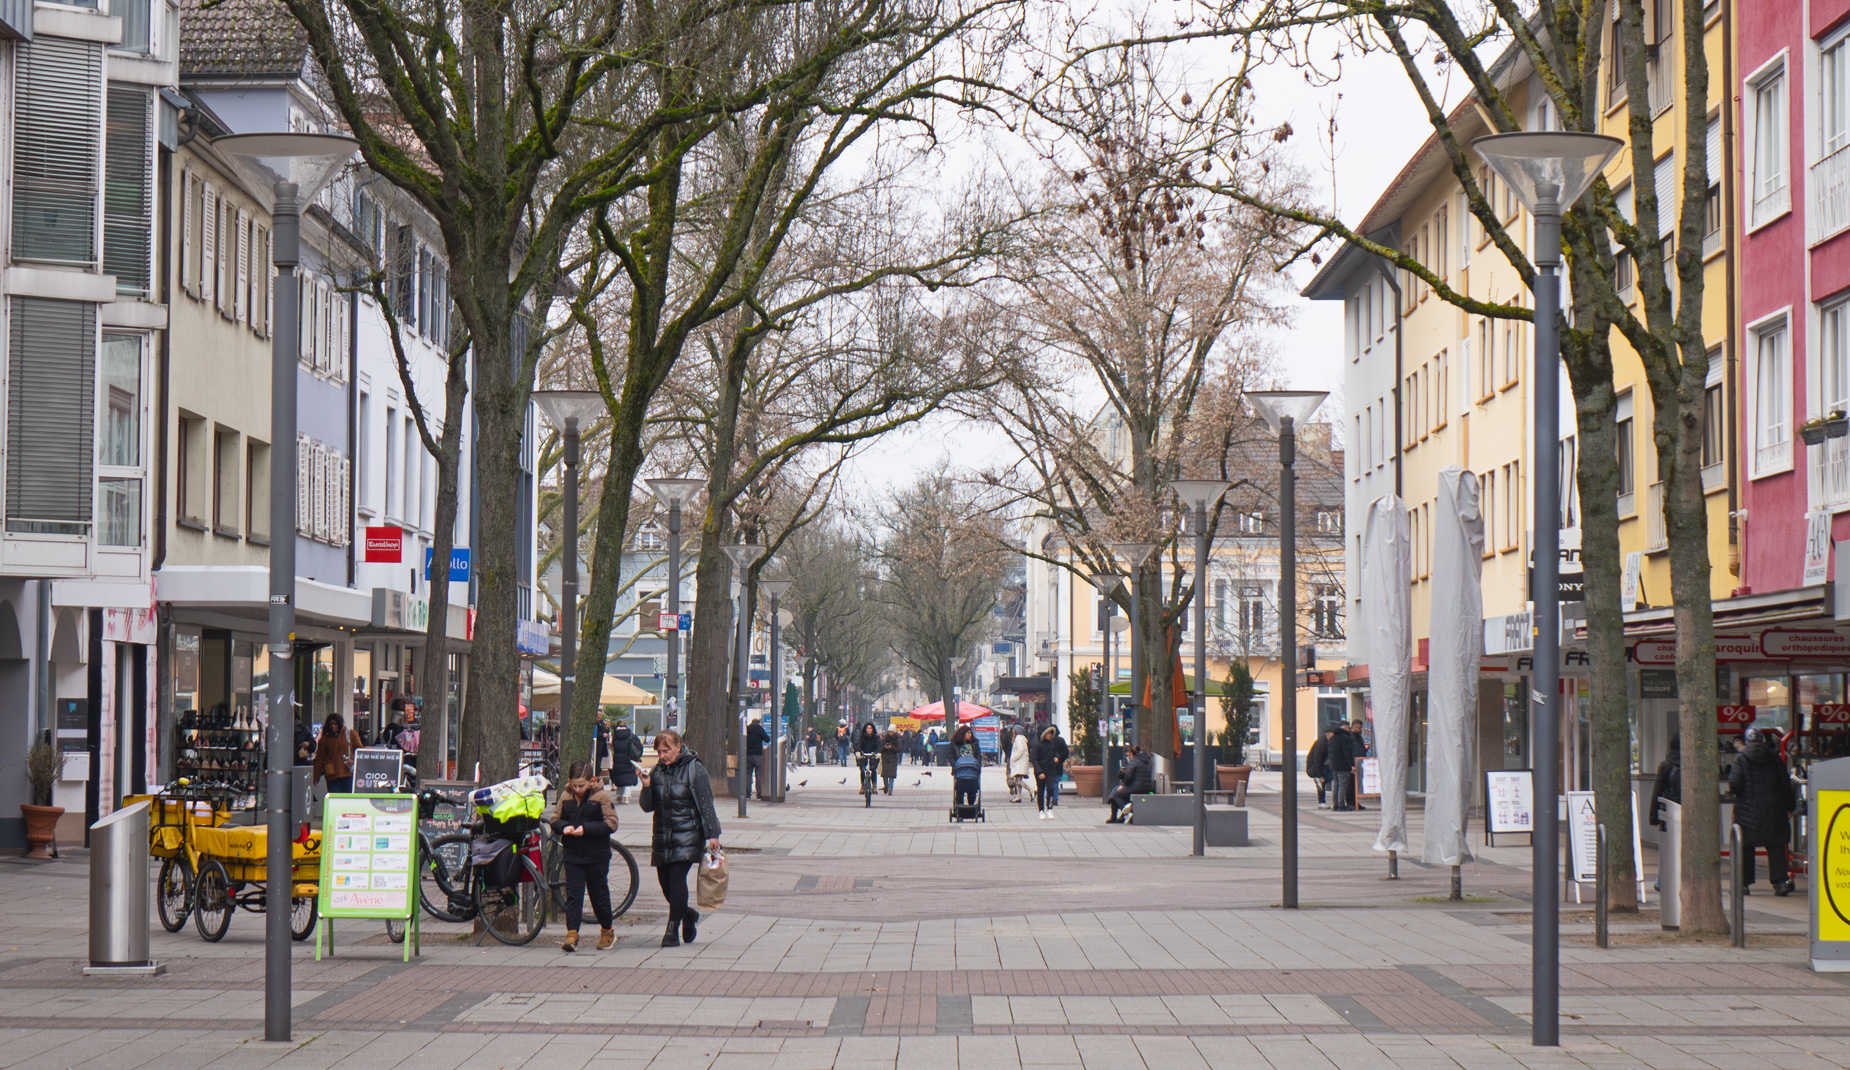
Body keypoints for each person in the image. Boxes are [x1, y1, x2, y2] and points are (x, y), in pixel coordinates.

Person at [638, 729, 721, 946]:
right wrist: (646, 786)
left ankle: (672, 929)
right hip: (662, 836)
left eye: (666, 751)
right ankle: (687, 915)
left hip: (688, 835)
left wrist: (713, 833)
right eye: (659, 751)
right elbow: (647, 807)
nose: (662, 755)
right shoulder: (657, 771)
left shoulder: (694, 768)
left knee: (676, 879)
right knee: (665, 884)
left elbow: (706, 803)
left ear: (678, 747)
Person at [547, 760, 619, 952]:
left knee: (598, 894)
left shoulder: (602, 796)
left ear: (592, 781)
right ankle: (572, 934)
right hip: (573, 854)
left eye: (582, 785)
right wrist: (564, 827)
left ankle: (607, 931)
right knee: (574, 894)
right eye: (574, 785)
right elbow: (555, 819)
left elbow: (611, 823)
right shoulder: (566, 795)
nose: (578, 789)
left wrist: (586, 829)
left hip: (597, 855)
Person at [1729, 726, 1798, 896]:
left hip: (1747, 812)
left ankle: (1743, 884)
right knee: (1775, 845)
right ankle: (1780, 882)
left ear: (1747, 741)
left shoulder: (1740, 759)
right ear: (1763, 740)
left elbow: (1735, 785)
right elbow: (1785, 784)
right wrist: (1790, 806)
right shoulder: (1775, 758)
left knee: (1746, 846)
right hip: (1774, 810)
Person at [311, 712, 363, 794]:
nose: (332, 726)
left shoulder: (350, 734)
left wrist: (353, 760)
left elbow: (359, 751)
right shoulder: (324, 738)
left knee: (346, 798)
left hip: (348, 773)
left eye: (335, 724)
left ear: (339, 723)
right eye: (330, 724)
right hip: (332, 774)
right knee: (334, 798)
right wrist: (316, 776)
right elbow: (320, 758)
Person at [1106, 745, 1153, 823]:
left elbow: (1128, 777)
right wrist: (1122, 773)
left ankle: (1125, 813)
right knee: (1116, 791)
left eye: (1129, 755)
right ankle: (1120, 817)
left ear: (1132, 754)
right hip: (1146, 788)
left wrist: (1124, 785)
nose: (1129, 757)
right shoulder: (1146, 761)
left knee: (1115, 794)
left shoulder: (1133, 761)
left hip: (1135, 788)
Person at [1031, 725, 1068, 818]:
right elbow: (1034, 759)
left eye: (1051, 733)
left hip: (1051, 770)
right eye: (1048, 733)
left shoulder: (1052, 743)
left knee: (1050, 789)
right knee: (1041, 790)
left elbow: (1055, 752)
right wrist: (1039, 772)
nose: (1050, 735)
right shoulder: (1037, 745)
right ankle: (1041, 810)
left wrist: (1057, 757)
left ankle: (1050, 808)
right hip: (1041, 770)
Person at [1649, 733, 1682, 830]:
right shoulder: (1691, 766)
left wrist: (1654, 818)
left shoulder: (1665, 766)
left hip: (1669, 810)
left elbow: (1657, 792)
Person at [1326, 719, 1357, 811]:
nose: (1350, 729)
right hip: (1343, 766)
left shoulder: (1332, 738)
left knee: (1336, 785)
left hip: (1334, 765)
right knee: (1343, 785)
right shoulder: (1345, 738)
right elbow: (1347, 753)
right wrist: (1352, 764)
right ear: (1345, 728)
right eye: (1348, 727)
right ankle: (1341, 804)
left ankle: (1335, 804)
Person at [609, 717, 642, 803]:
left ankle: (619, 795)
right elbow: (639, 746)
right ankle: (626, 796)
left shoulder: (615, 736)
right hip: (628, 759)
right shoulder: (631, 735)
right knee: (628, 778)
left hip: (617, 759)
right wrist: (637, 756)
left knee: (619, 777)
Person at [950, 724, 981, 811]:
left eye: (971, 733)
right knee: (959, 790)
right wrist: (955, 766)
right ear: (963, 734)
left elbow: (978, 755)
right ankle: (960, 808)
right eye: (968, 733)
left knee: (972, 790)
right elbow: (950, 756)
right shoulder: (954, 744)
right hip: (960, 770)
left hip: (972, 770)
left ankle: (971, 807)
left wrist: (978, 766)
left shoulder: (974, 743)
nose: (970, 735)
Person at [1307, 727, 1334, 809]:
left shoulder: (1327, 742)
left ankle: (1323, 802)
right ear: (1328, 735)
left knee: (1325, 782)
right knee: (1321, 782)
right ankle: (1322, 802)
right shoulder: (1321, 743)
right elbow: (1317, 760)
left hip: (1324, 766)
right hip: (1317, 767)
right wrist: (1319, 775)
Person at [745, 716, 769, 801]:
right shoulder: (760, 729)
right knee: (758, 775)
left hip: (748, 754)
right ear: (758, 723)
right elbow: (767, 739)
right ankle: (759, 794)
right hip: (758, 755)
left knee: (748, 775)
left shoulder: (746, 729)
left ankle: (747, 794)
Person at [854, 722, 881, 792]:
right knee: (862, 770)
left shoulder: (876, 737)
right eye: (867, 728)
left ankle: (874, 785)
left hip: (873, 756)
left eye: (870, 728)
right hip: (864, 755)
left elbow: (879, 746)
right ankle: (862, 785)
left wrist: (878, 753)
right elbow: (858, 745)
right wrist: (858, 752)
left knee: (873, 769)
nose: (869, 730)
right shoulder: (862, 737)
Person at [1007, 725, 1032, 803]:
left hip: (1019, 762)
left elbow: (1021, 750)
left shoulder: (1018, 738)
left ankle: (1031, 790)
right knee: (1018, 779)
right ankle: (1018, 796)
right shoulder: (1022, 738)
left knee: (1018, 781)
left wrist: (1013, 758)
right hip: (1021, 762)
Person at [879, 725, 903, 794]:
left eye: (892, 732)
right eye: (889, 732)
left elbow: (899, 749)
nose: (890, 733)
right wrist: (885, 747)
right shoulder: (885, 738)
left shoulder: (897, 739)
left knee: (891, 775)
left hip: (893, 759)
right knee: (884, 775)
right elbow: (880, 748)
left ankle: (890, 789)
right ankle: (886, 786)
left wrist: (891, 747)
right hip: (885, 758)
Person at [594, 709, 612, 779]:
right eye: (597, 715)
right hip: (595, 745)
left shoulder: (603, 723)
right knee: (596, 763)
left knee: (599, 763)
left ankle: (597, 775)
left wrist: (607, 729)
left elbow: (606, 732)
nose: (599, 716)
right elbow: (594, 734)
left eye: (600, 715)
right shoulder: (594, 723)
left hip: (601, 747)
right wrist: (602, 735)